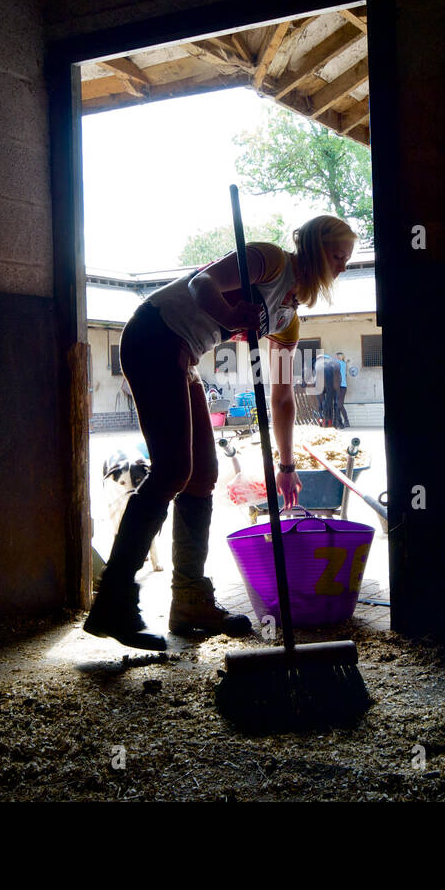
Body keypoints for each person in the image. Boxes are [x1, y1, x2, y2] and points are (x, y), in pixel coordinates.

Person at [83, 215, 358, 649]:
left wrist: (285, 466)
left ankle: (189, 599)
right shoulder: (268, 260)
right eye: (338, 256)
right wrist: (231, 313)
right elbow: (200, 284)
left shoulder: (288, 318)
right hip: (153, 333)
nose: (342, 267)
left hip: (184, 354)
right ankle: (113, 602)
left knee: (203, 475)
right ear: (316, 249)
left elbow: (282, 397)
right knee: (173, 469)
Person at [335, 352, 350, 429]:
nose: (336, 357)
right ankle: (340, 422)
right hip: (339, 387)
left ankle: (346, 421)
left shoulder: (341, 363)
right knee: (338, 405)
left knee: (339, 405)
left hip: (342, 386)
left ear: (341, 357)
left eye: (337, 356)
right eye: (336, 356)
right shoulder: (342, 363)